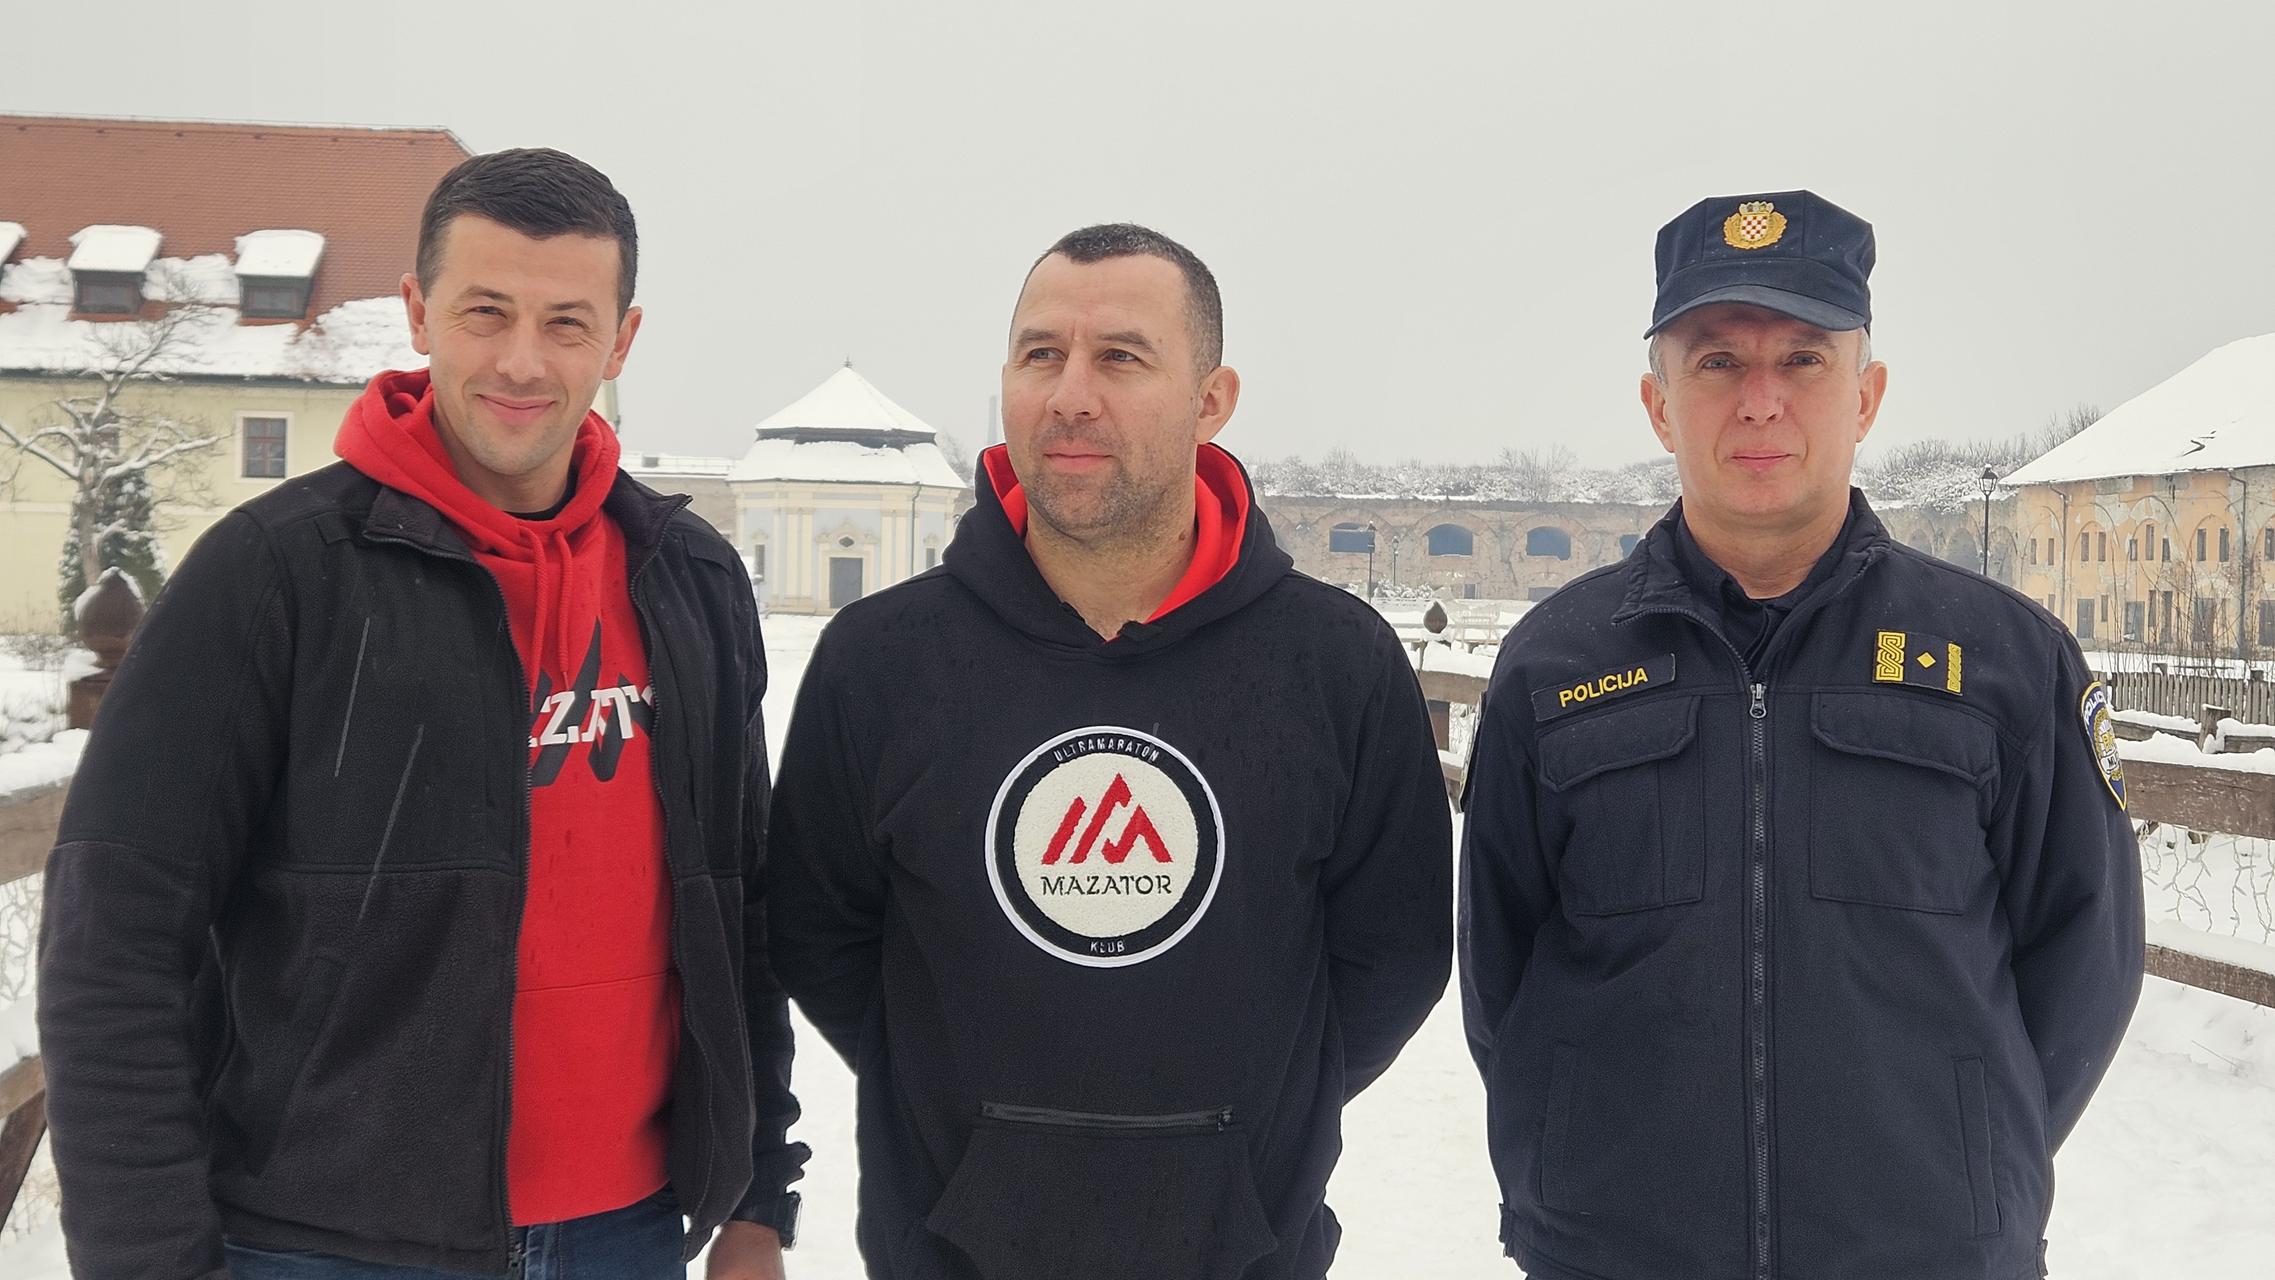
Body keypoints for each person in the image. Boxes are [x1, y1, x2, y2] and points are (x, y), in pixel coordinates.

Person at [38, 148, 805, 1280]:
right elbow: (113, 937)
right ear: (417, 312)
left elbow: (740, 911)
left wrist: (756, 1196)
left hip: (628, 1236)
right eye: (485, 312)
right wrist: (147, 1259)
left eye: (567, 323)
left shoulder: (686, 578)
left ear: (621, 340)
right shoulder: (273, 575)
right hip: (322, 1244)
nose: (521, 360)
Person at [1459, 190, 2144, 1280]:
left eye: (1804, 359)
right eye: (1717, 361)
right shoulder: (1556, 661)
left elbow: (2084, 960)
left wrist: (1962, 1165)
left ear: (1865, 395)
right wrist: (1578, 1159)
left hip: (1923, 1255)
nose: (1760, 400)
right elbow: (1501, 968)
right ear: (1657, 404)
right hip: (1617, 1250)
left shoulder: (2005, 660)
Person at [767, 223, 1452, 1280]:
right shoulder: (881, 659)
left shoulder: (1336, 662)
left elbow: (1390, 956)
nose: (1069, 395)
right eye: (1040, 354)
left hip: (1243, 1249)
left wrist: (1244, 1140)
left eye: (1121, 357)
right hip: (949, 1249)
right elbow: (822, 934)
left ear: (1211, 399)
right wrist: (969, 1123)